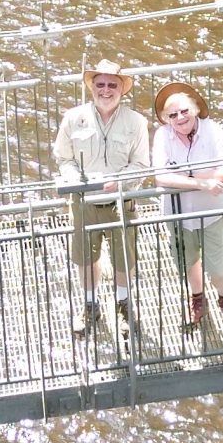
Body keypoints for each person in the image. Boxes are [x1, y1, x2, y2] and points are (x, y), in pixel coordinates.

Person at [52, 59, 151, 339]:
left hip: (121, 202)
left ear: (122, 90)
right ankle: (89, 303)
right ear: (91, 87)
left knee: (124, 257)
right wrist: (76, 181)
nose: (105, 90)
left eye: (112, 85)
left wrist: (117, 183)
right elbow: (64, 157)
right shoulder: (73, 118)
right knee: (86, 257)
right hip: (83, 202)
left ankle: (122, 304)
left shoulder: (137, 122)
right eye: (100, 84)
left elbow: (141, 164)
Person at [150, 79, 223, 332]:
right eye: (172, 114)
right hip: (178, 213)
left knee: (217, 261)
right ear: (166, 119)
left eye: (184, 111)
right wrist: (202, 183)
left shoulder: (212, 129)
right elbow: (161, 177)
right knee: (188, 261)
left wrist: (189, 181)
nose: (180, 117)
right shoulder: (162, 136)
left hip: (211, 211)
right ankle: (197, 299)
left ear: (195, 109)